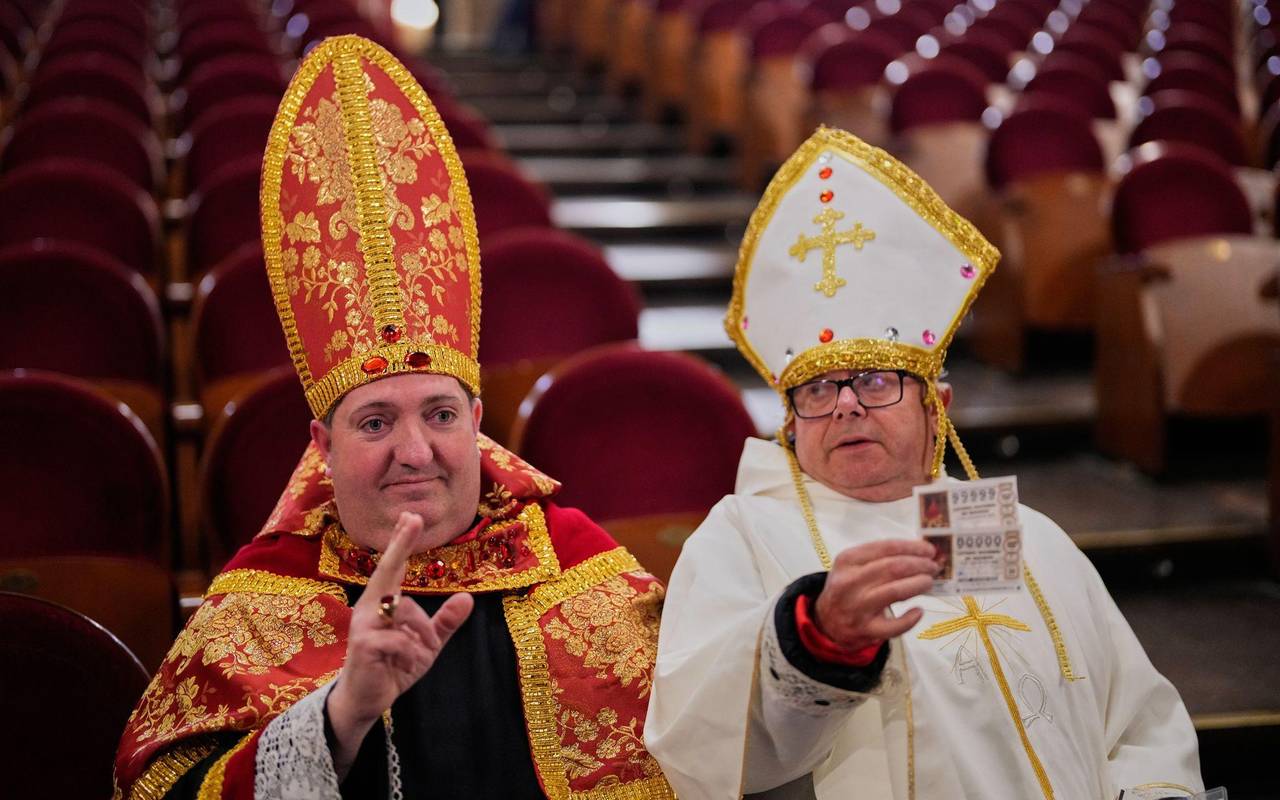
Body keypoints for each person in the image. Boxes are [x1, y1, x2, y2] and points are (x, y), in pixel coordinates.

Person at [114, 35, 672, 800]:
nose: (416, 451)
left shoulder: (582, 576)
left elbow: (707, 751)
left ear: (476, 419)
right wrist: (339, 717)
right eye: (375, 422)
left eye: (440, 415)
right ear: (321, 445)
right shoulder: (265, 600)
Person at [644, 127, 1204, 800]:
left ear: (937, 407)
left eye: (877, 381)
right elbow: (697, 747)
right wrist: (817, 641)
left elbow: (1142, 727)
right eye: (819, 390)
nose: (846, 406)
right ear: (791, 423)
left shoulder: (1030, 538)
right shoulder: (740, 537)